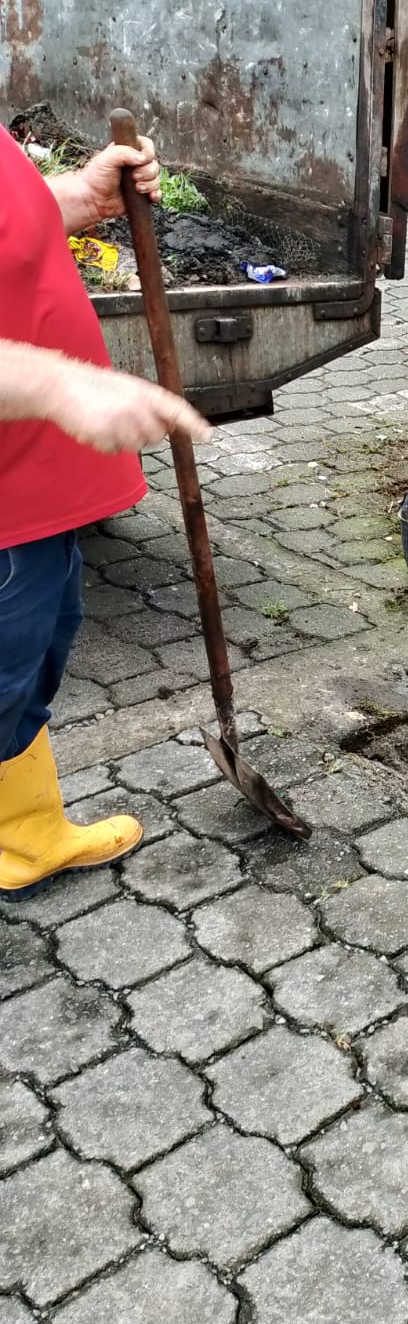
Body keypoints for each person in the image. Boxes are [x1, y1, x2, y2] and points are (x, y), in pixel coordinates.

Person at [1, 123, 211, 897]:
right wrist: (57, 384)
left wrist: (77, 198)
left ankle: (23, 837)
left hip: (32, 486)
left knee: (31, 658)